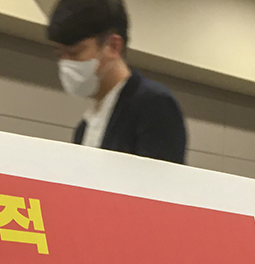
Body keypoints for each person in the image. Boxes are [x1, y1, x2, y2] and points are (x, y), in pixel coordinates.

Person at [47, 0, 187, 164]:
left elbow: (159, 179)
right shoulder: (84, 127)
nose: (66, 63)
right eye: (60, 54)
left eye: (74, 53)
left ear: (113, 46)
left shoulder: (153, 105)